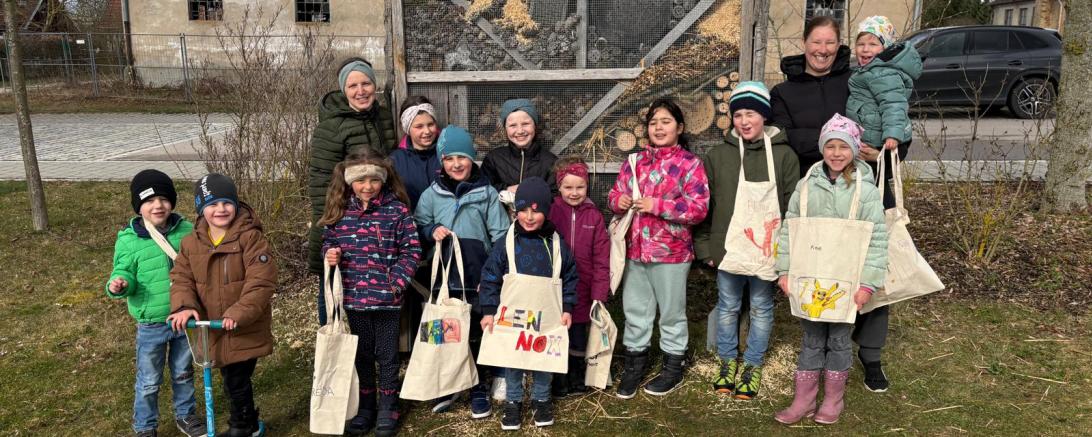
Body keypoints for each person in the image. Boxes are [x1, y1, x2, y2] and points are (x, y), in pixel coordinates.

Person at [773, 115, 887, 425]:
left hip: (846, 282)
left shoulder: (866, 191)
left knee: (838, 339)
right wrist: (785, 270)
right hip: (810, 279)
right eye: (830, 146)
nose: (836, 153)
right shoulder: (806, 186)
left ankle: (834, 398)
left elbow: (877, 240)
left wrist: (867, 284)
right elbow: (789, 230)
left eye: (843, 147)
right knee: (811, 338)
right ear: (822, 148)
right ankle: (804, 399)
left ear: (855, 149)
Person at [694, 82, 800, 400]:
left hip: (768, 250)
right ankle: (728, 362)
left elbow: (793, 208)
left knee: (761, 308)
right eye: (738, 114)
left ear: (764, 116)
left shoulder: (784, 156)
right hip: (728, 250)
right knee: (728, 306)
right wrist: (705, 248)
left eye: (751, 114)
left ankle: (752, 364)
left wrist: (787, 255)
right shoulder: (718, 156)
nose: (744, 121)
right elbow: (706, 206)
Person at [608, 98, 710, 399]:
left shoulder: (690, 164)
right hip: (636, 250)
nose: (659, 128)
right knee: (635, 310)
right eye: (653, 123)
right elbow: (614, 194)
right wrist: (619, 202)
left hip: (672, 253)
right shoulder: (634, 162)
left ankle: (673, 367)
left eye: (666, 122)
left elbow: (699, 208)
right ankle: (634, 364)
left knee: (671, 312)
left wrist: (658, 205)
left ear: (679, 127)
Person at [167, 173, 277, 437]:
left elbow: (261, 281)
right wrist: (184, 306)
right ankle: (250, 424)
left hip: (242, 326)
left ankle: (242, 426)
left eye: (227, 203)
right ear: (201, 208)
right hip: (212, 326)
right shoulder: (191, 243)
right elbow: (181, 278)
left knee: (236, 378)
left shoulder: (250, 239)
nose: (221, 209)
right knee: (230, 378)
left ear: (236, 205)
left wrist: (239, 312)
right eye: (212, 204)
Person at [845, 15, 922, 393]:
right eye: (861, 43)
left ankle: (871, 353)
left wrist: (886, 146)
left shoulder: (884, 74)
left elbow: (896, 112)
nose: (865, 49)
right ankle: (838, 342)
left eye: (872, 44)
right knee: (844, 262)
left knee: (876, 262)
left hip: (876, 177)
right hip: (847, 178)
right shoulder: (859, 73)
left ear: (886, 47)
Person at [320, 157, 422, 436]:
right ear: (349, 182)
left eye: (374, 180)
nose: (368, 186)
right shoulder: (340, 211)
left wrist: (395, 283)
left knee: (387, 354)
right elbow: (328, 242)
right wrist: (330, 254)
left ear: (384, 180)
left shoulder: (397, 211)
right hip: (354, 298)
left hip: (388, 301)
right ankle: (366, 404)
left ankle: (388, 402)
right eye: (361, 180)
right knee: (362, 353)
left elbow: (412, 250)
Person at [414, 125, 510, 418]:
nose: (456, 164)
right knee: (445, 332)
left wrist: (492, 276)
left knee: (478, 332)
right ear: (441, 162)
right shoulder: (431, 195)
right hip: (444, 280)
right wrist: (431, 230)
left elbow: (501, 236)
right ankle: (448, 383)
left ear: (471, 159)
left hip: (477, 277)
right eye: (449, 159)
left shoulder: (487, 194)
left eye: (462, 157)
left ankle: (478, 386)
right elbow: (417, 227)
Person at [105, 169, 206, 437]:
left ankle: (186, 415)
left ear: (172, 201)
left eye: (163, 199)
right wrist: (120, 283)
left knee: (183, 372)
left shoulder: (188, 231)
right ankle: (145, 425)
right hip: (152, 322)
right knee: (149, 380)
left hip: (185, 318)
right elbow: (123, 270)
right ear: (139, 207)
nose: (157, 205)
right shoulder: (129, 240)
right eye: (149, 201)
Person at [479, 177, 579, 431]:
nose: (529, 217)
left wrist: (568, 308)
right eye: (523, 210)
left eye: (536, 211)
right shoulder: (506, 243)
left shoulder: (557, 245)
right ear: (515, 211)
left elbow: (569, 277)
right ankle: (513, 401)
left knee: (543, 358)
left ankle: (541, 399)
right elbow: (490, 277)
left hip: (547, 316)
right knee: (514, 358)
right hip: (514, 316)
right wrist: (489, 311)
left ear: (546, 210)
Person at [309, 57, 398, 320]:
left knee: (372, 285)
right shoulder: (332, 126)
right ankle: (331, 335)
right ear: (343, 90)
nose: (361, 91)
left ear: (374, 85)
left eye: (366, 83)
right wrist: (330, 222)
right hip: (344, 217)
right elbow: (321, 180)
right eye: (353, 86)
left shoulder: (383, 116)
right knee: (332, 284)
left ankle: (369, 340)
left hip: (378, 216)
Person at [546, 156, 610, 397]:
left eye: (580, 187)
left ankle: (576, 375)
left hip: (584, 286)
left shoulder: (594, 217)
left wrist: (599, 292)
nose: (574, 193)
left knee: (578, 333)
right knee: (556, 330)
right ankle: (558, 377)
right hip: (556, 285)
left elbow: (602, 258)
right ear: (559, 186)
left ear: (587, 186)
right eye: (568, 187)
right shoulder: (551, 212)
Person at [390, 96, 444, 356]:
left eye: (430, 124)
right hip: (408, 239)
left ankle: (434, 350)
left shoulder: (445, 154)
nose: (426, 131)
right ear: (407, 128)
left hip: (441, 236)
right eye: (419, 126)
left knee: (436, 295)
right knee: (410, 295)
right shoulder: (396, 160)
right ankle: (409, 351)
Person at [770, 16, 853, 176]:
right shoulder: (782, 93)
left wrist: (879, 153)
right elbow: (783, 137)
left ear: (838, 44)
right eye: (816, 42)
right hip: (803, 181)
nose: (823, 50)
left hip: (853, 179)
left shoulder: (856, 83)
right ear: (804, 42)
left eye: (830, 43)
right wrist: (841, 141)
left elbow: (877, 128)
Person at [481, 98, 559, 197]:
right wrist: (506, 189)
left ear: (535, 125)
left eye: (525, 124)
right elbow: (482, 190)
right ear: (505, 129)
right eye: (513, 125)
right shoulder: (493, 159)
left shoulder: (551, 162)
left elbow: (556, 194)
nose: (520, 131)